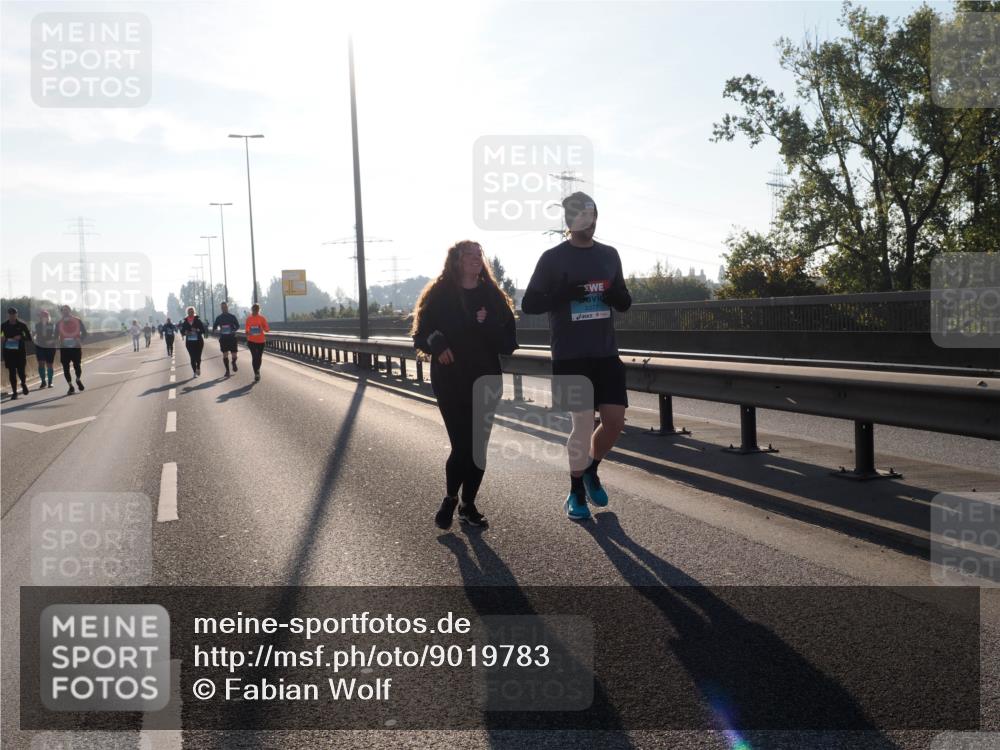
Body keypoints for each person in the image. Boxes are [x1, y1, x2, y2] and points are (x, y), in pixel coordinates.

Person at [521, 192, 632, 521]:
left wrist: (617, 296)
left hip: (606, 353)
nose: (589, 222)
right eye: (582, 216)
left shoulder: (610, 255)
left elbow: (624, 301)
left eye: (593, 215)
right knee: (582, 426)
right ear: (570, 221)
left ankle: (590, 469)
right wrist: (560, 296)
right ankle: (575, 493)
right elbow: (529, 305)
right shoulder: (552, 258)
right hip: (570, 355)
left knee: (614, 423)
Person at [411, 240, 518, 530]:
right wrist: (439, 344)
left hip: (485, 379)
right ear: (456, 261)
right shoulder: (440, 292)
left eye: (478, 254)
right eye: (468, 254)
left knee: (478, 447)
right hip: (450, 381)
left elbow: (509, 342)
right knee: (462, 445)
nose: (475, 258)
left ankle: (468, 505)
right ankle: (450, 498)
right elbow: (421, 334)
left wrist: (488, 324)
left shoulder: (492, 295)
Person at [56, 305, 87, 395]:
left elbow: (84, 333)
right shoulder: (59, 323)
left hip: (75, 347)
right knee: (65, 368)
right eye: (63, 311)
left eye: (67, 310)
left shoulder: (77, 320)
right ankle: (70, 386)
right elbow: (55, 335)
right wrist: (58, 342)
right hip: (64, 348)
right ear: (61, 312)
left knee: (77, 365)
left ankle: (78, 379)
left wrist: (80, 339)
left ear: (70, 311)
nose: (65, 312)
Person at [2, 307, 32, 400]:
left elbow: (29, 337)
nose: (12, 316)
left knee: (21, 371)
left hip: (20, 352)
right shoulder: (3, 325)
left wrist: (21, 337)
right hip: (8, 352)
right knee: (12, 372)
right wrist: (2, 338)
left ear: (16, 314)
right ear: (8, 315)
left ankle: (23, 383)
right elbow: (1, 335)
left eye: (14, 314)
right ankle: (14, 392)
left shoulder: (22, 325)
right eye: (10, 314)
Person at [212, 302, 241, 377]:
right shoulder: (219, 318)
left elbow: (237, 326)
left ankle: (233, 362)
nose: (224, 309)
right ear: (221, 309)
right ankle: (227, 371)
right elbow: (214, 328)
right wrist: (218, 331)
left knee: (234, 355)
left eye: (225, 307)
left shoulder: (232, 316)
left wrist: (233, 330)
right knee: (225, 355)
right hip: (223, 338)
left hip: (232, 338)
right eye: (222, 308)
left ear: (227, 308)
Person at [244, 304, 270, 382]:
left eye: (257, 309)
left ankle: (257, 370)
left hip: (261, 341)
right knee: (254, 357)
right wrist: (248, 332)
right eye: (254, 309)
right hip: (251, 341)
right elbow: (247, 328)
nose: (255, 310)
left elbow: (267, 329)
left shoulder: (262, 318)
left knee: (259, 357)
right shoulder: (249, 319)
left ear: (259, 310)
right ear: (252, 310)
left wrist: (263, 328)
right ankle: (256, 373)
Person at [178, 307, 207, 377]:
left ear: (194, 312)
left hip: (198, 342)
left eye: (192, 312)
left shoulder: (198, 320)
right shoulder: (185, 322)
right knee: (192, 358)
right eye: (189, 312)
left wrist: (197, 330)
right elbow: (182, 332)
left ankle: (198, 367)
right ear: (187, 313)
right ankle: (194, 372)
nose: (191, 313)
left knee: (198, 357)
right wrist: (185, 332)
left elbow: (203, 330)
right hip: (190, 343)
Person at [33, 309, 57, 389]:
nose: (42, 317)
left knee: (49, 364)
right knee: (41, 364)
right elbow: (33, 335)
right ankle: (43, 381)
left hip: (50, 347)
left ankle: (50, 382)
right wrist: (34, 338)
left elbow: (56, 336)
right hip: (40, 346)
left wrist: (51, 341)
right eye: (41, 316)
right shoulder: (37, 325)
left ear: (47, 317)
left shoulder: (52, 325)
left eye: (44, 316)